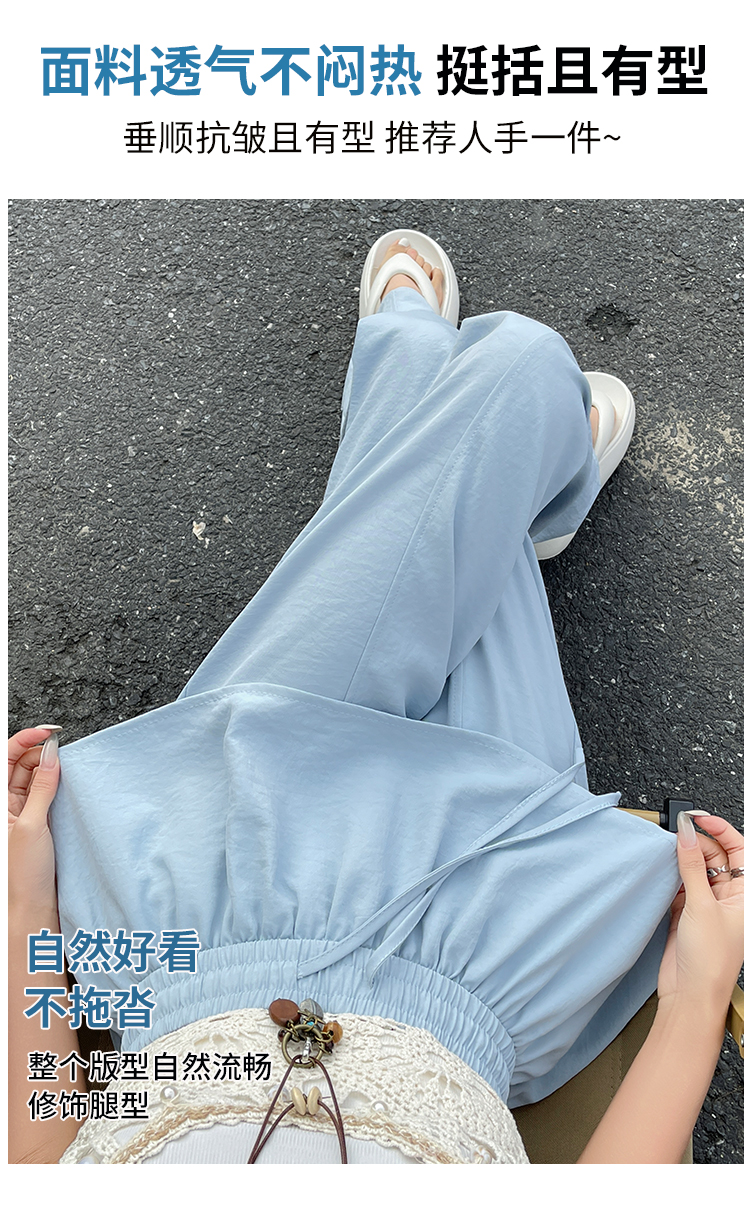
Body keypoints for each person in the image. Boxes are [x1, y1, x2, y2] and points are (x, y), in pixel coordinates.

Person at [9, 231, 744, 1164]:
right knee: (518, 367)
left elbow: (38, 1148)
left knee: (520, 378)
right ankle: (477, 448)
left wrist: (23, 911)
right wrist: (695, 995)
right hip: (487, 963)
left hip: (210, 906)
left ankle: (470, 438)